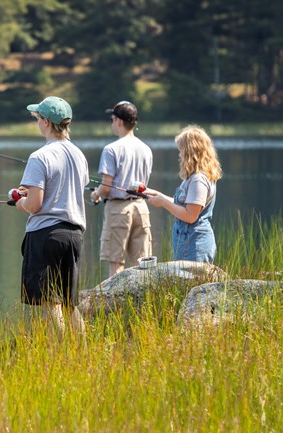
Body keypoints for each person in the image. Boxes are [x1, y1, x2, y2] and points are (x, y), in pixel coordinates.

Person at [14, 96, 88, 339]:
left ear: (46, 122)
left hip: (47, 236)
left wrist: (20, 202)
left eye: (37, 119)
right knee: (70, 304)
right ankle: (83, 356)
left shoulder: (39, 156)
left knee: (51, 303)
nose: (37, 123)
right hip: (74, 235)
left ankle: (59, 357)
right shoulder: (79, 155)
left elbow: (35, 205)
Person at [90, 100, 153, 277]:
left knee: (116, 262)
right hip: (141, 208)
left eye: (112, 118)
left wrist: (95, 195)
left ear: (118, 121)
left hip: (118, 209)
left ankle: (115, 303)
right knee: (142, 264)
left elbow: (106, 187)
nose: (112, 123)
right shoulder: (146, 149)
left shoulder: (111, 149)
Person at [145, 125, 222, 263]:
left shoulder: (198, 180)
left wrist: (162, 202)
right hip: (187, 242)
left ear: (190, 151)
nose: (179, 155)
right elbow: (186, 205)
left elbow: (190, 216)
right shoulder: (194, 177)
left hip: (194, 245)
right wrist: (156, 194)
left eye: (181, 150)